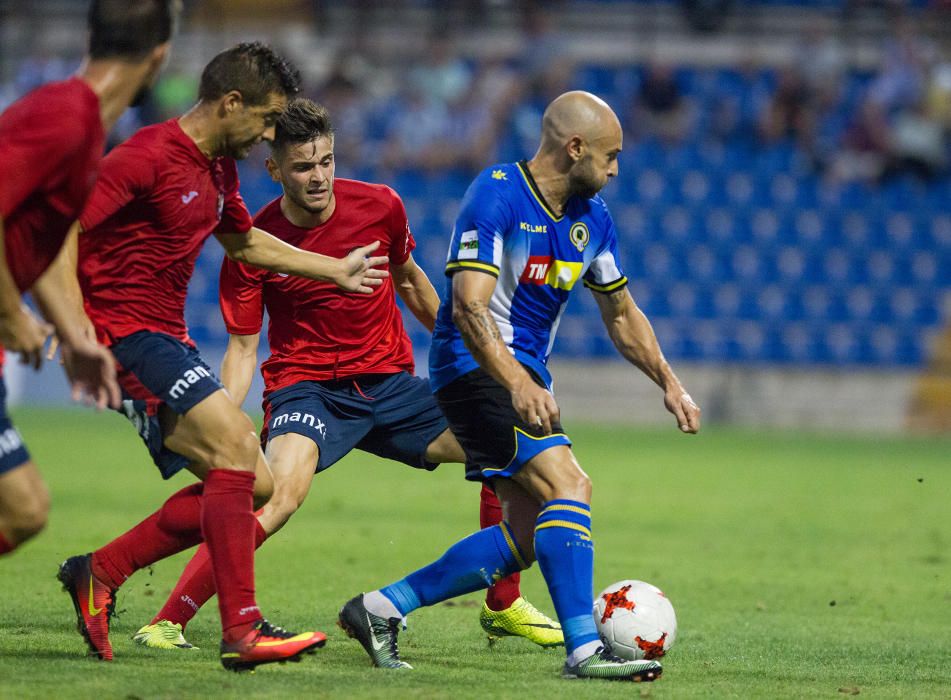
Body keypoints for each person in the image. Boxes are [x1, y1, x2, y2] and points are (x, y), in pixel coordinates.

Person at [132, 98, 562, 652]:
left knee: (509, 448)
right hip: (308, 389)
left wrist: (473, 359)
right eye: (304, 167)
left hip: (388, 383)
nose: (319, 177)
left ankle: (502, 605)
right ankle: (168, 620)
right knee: (276, 497)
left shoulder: (380, 206)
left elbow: (410, 282)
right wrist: (222, 419)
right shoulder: (253, 244)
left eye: (327, 161)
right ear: (275, 169)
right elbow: (243, 348)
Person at [338, 91, 701, 681]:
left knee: (528, 535)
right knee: (570, 485)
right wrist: (515, 380)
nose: (615, 170)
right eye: (610, 157)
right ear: (574, 147)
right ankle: (585, 650)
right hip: (473, 368)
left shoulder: (592, 220)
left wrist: (669, 381)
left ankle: (381, 608)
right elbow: (469, 306)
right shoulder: (497, 194)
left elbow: (622, 314)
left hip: (521, 376)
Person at [56, 43, 389, 672]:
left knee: (253, 482)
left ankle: (100, 571)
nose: (269, 133)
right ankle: (241, 631)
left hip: (165, 337)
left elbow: (245, 243)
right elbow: (68, 227)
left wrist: (334, 269)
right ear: (231, 103)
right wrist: (70, 324)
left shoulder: (217, 171)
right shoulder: (148, 156)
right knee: (238, 451)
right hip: (121, 334)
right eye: (265, 119)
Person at [0, 0, 179, 559]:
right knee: (23, 508)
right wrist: (11, 314)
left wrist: (74, 335)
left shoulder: (86, 130)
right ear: (160, 56)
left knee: (22, 509)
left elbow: (47, 246)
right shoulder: (66, 117)